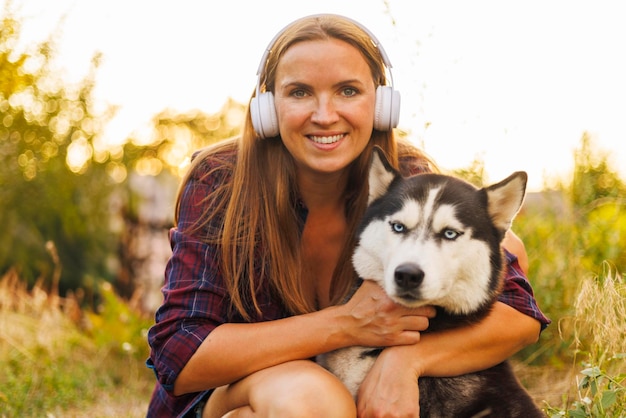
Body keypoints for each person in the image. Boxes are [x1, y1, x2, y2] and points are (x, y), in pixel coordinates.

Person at [146, 14, 550, 418]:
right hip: (232, 396)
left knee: (505, 245)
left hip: (342, 394)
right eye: (300, 92)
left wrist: (407, 362)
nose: (325, 115)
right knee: (313, 399)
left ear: (381, 105)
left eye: (348, 91)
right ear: (268, 107)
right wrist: (346, 324)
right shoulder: (223, 180)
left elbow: (520, 314)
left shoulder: (404, 180)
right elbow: (180, 353)